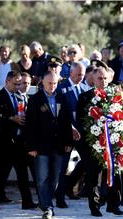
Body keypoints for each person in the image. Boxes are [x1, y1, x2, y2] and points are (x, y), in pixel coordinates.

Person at [0, 71, 36, 210]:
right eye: (16, 84)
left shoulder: (20, 96)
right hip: (2, 141)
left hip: (18, 141)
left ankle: (27, 201)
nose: (18, 86)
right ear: (7, 81)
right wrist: (11, 118)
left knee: (22, 173)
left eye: (20, 84)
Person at [77, 66, 123, 217]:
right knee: (93, 177)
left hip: (113, 143)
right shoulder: (85, 97)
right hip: (93, 144)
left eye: (105, 78)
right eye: (100, 78)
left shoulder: (116, 95)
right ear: (93, 78)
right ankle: (95, 206)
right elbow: (80, 121)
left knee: (114, 175)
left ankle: (113, 205)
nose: (103, 81)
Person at [26, 71, 73, 219]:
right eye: (49, 83)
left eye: (55, 83)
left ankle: (45, 201)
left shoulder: (62, 97)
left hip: (58, 145)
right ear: (43, 83)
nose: (52, 86)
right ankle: (47, 206)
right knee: (42, 178)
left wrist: (68, 142)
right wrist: (31, 147)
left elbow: (66, 122)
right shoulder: (35, 99)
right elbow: (30, 125)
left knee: (55, 179)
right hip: (41, 146)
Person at [55, 61, 86, 208]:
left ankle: (69, 186)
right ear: (71, 73)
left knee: (86, 160)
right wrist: (70, 128)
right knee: (63, 166)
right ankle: (60, 196)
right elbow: (60, 114)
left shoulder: (83, 88)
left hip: (81, 133)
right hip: (66, 133)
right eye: (78, 74)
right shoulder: (61, 88)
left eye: (83, 74)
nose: (81, 77)